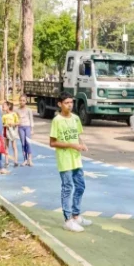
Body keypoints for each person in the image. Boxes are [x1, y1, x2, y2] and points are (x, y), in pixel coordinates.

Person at [49, 92, 91, 232]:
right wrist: (72, 145)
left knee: (80, 186)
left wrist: (82, 144)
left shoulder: (76, 118)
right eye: (66, 102)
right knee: (67, 188)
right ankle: (68, 220)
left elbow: (78, 136)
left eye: (71, 102)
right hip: (64, 160)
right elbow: (52, 143)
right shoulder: (57, 120)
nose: (70, 105)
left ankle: (76, 215)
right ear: (60, 104)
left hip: (76, 159)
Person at [17, 94, 35, 166]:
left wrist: (32, 129)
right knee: (23, 144)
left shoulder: (29, 110)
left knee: (28, 143)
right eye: (21, 100)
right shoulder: (17, 110)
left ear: (26, 101)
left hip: (27, 127)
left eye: (23, 100)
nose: (22, 102)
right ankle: (25, 159)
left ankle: (30, 159)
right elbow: (16, 119)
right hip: (20, 128)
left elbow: (31, 119)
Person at [2, 101, 20, 167]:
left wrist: (13, 124)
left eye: (3, 106)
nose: (2, 108)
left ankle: (15, 161)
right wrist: (5, 125)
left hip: (12, 131)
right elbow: (3, 124)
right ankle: (6, 162)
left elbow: (18, 122)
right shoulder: (4, 116)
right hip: (6, 131)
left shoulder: (14, 114)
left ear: (8, 106)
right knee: (6, 146)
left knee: (14, 146)